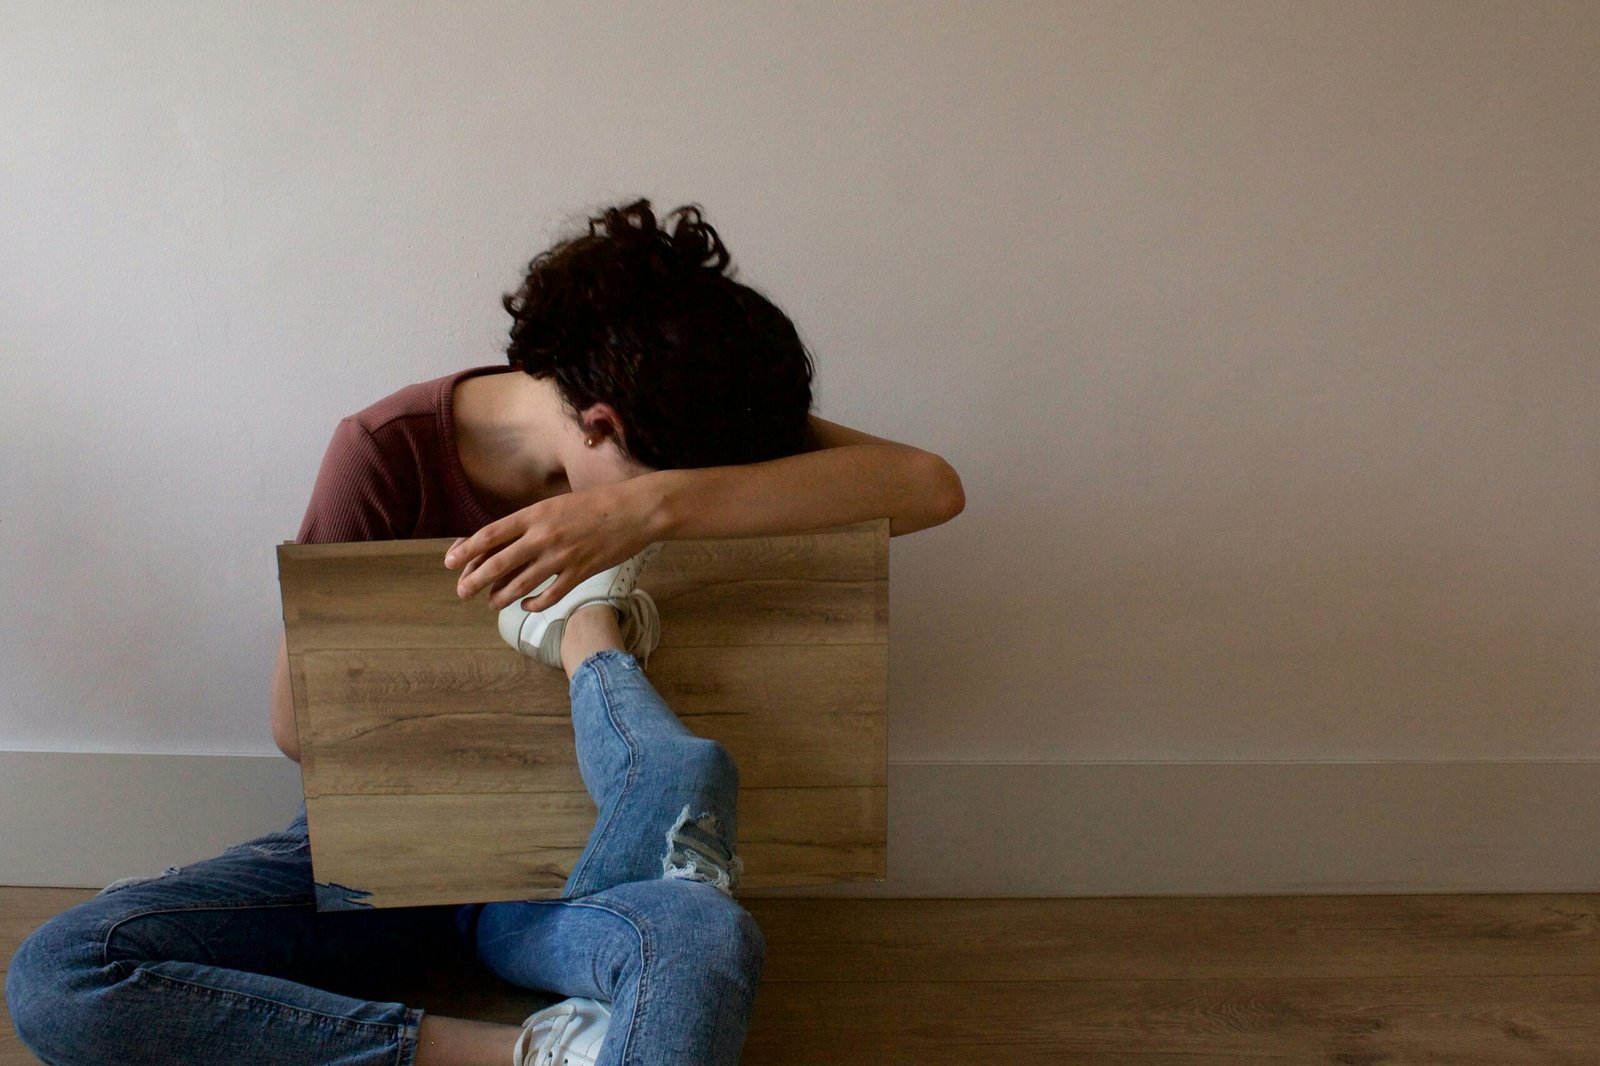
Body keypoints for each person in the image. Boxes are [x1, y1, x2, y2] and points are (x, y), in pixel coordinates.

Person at [5, 200, 964, 1066]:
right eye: (657, 476)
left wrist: (651, 509)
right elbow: (299, 730)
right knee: (62, 975)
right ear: (599, 421)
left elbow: (930, 487)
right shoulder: (386, 450)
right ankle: (535, 1055)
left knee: (705, 943)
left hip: (578, 875)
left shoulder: (698, 422)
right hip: (388, 855)